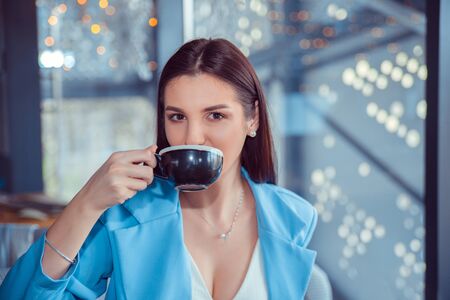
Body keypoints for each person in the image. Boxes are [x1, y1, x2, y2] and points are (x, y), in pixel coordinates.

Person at [0, 38, 317, 299]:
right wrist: (86, 203)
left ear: (253, 119)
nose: (193, 137)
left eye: (215, 116)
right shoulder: (127, 215)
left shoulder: (293, 218)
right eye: (177, 117)